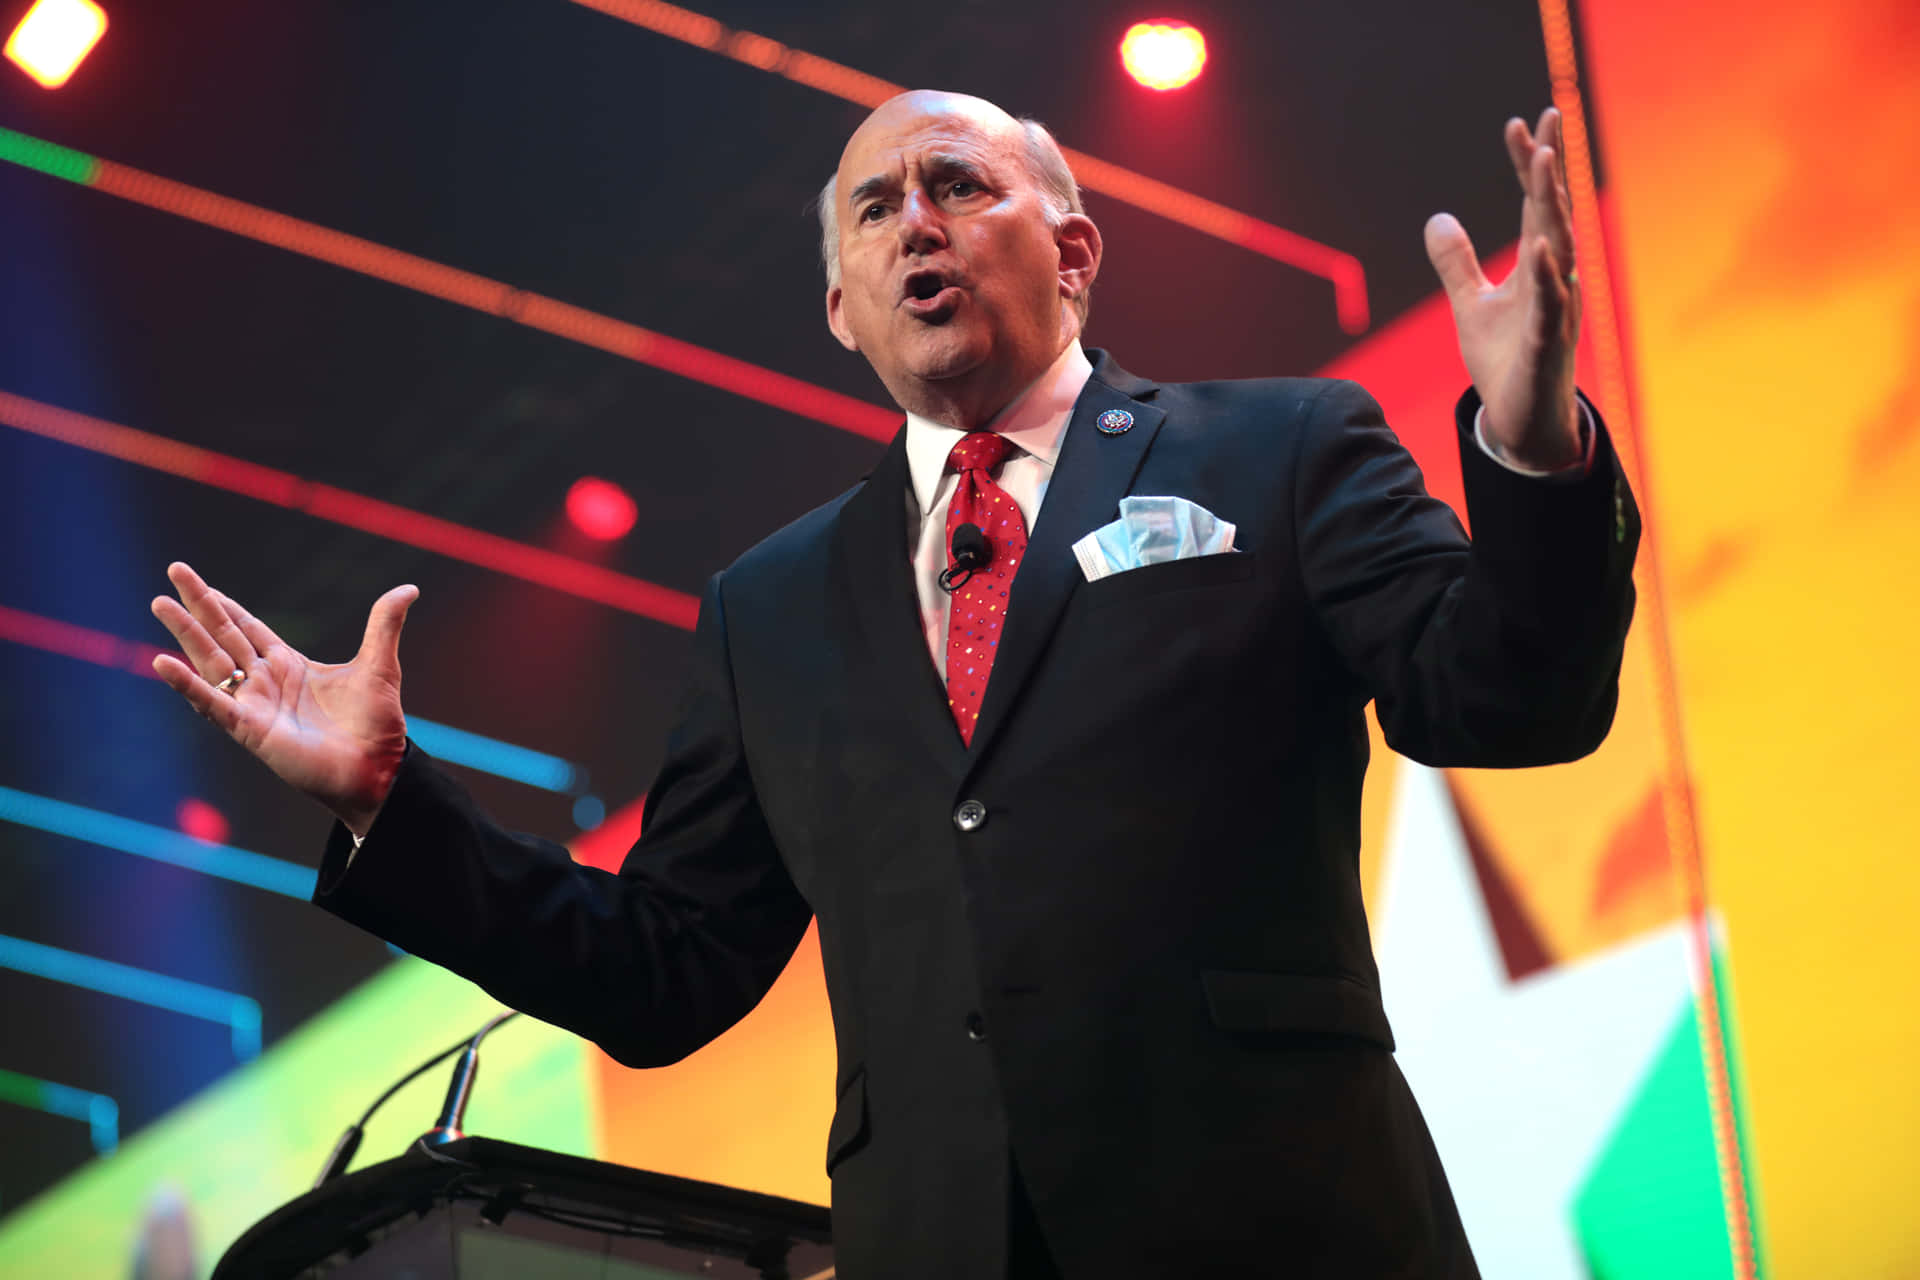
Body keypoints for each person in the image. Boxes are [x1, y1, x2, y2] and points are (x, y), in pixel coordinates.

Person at [152, 91, 1638, 1278]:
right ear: (842, 312)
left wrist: (1533, 450)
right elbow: (664, 967)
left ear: (1074, 250)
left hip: (1278, 1222)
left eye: (958, 185)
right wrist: (387, 804)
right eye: (876, 207)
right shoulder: (773, 605)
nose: (914, 222)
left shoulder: (1278, 449)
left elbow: (1504, 703)